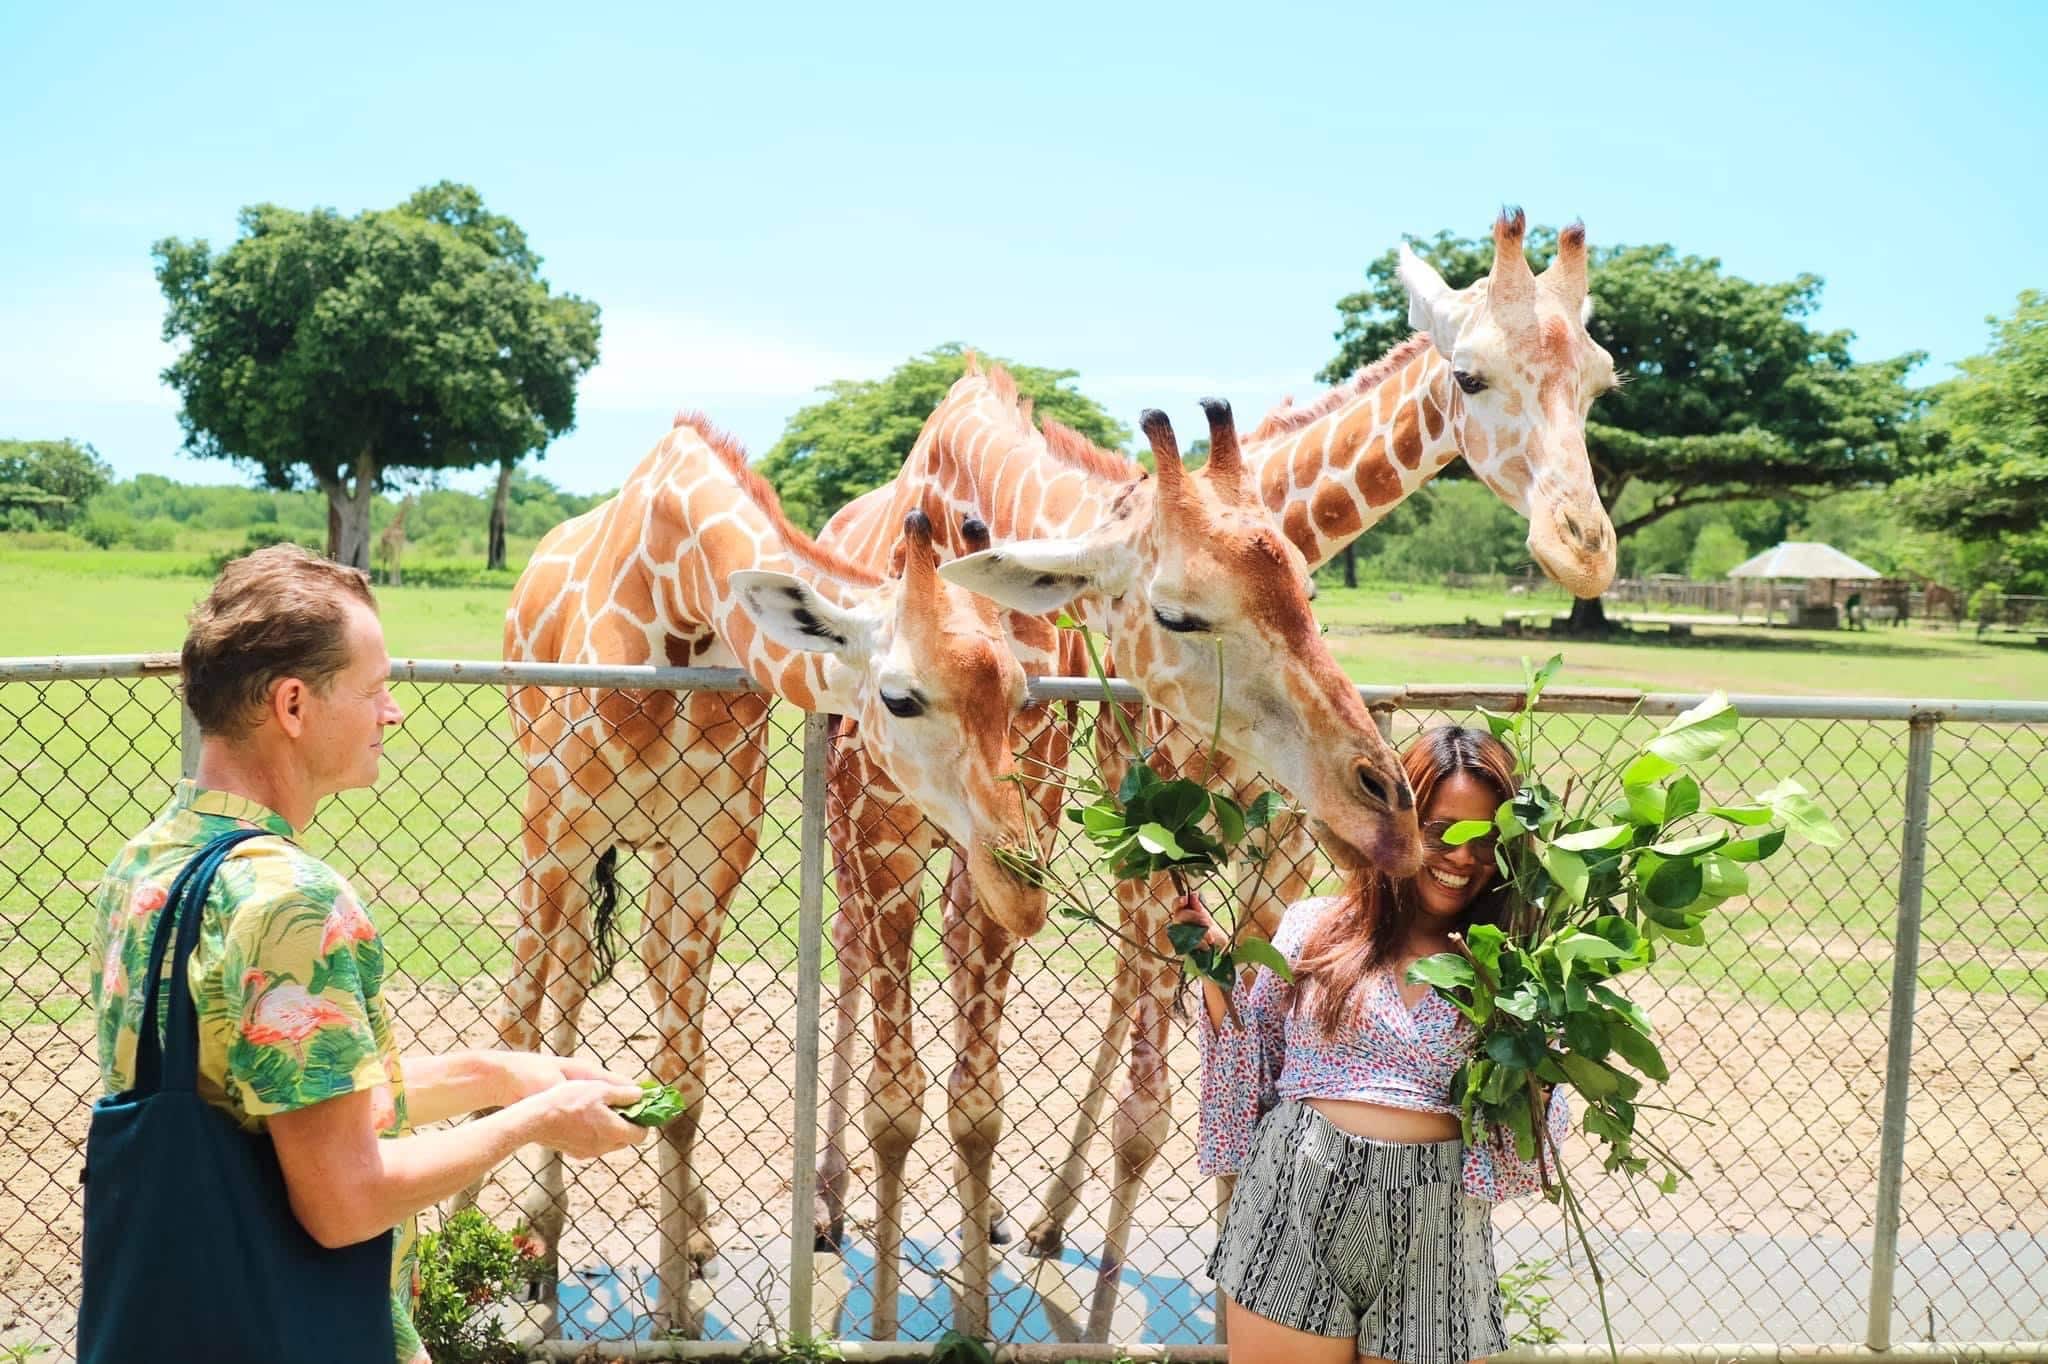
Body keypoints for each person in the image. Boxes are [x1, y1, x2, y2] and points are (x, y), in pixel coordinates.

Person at [89, 545, 651, 1363]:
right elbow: (343, 1201)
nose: (391, 713)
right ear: (291, 705)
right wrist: (536, 1123)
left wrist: (499, 1076)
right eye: (374, 688)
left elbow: (277, 1092)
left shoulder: (148, 863)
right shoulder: (294, 901)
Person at [1177, 724, 1568, 1364]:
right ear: (1399, 823)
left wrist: (1549, 1051)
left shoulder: (1518, 969)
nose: (1463, 857)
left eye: (1487, 840)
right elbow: (1252, 1074)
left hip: (1436, 1223)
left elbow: (1524, 1143)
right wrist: (1219, 976)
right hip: (1293, 1201)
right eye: (1443, 831)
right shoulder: (1315, 927)